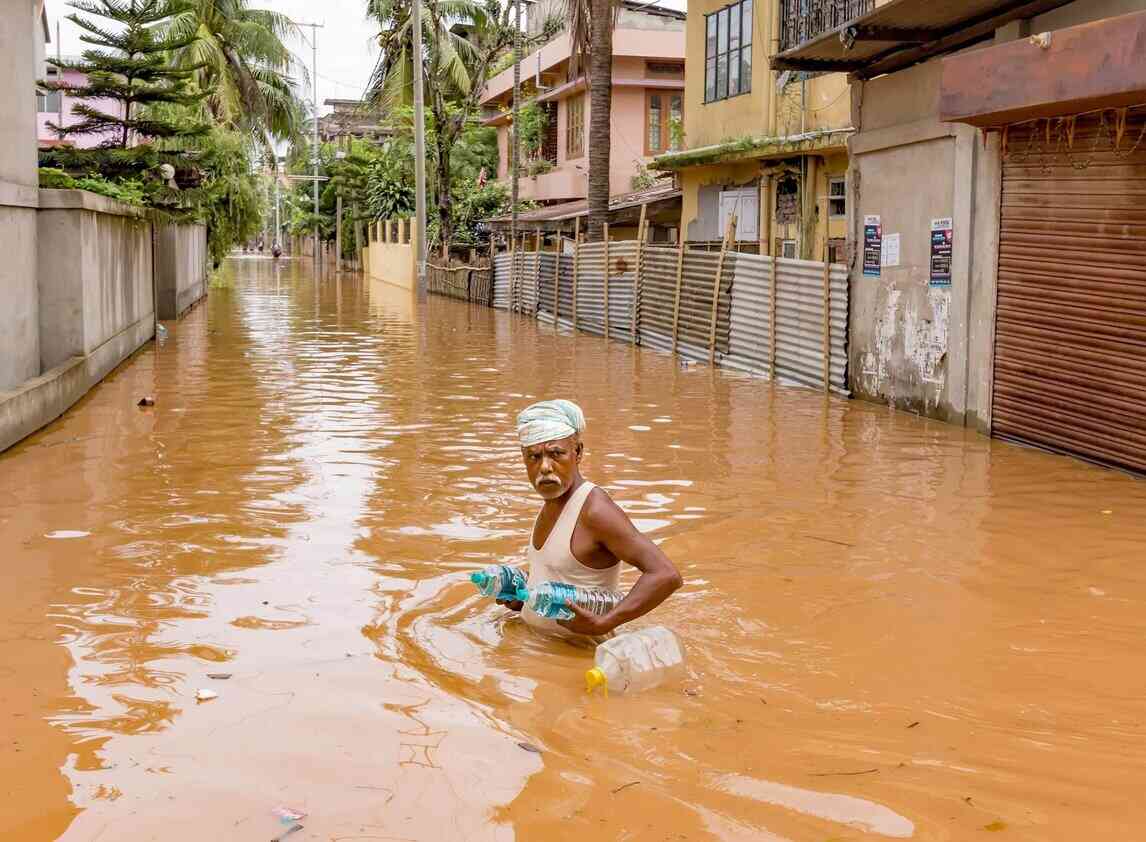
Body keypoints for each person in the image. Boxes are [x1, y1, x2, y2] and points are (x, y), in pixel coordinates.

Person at [501, 399, 683, 638]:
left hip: (579, 659)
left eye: (556, 454)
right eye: (534, 457)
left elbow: (666, 575)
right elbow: (560, 576)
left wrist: (604, 623)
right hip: (538, 651)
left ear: (578, 453)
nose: (545, 467)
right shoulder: (551, 501)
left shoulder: (595, 510)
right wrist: (523, 598)